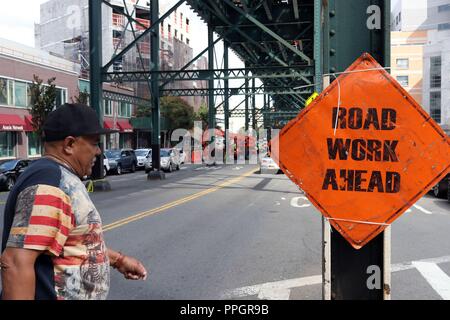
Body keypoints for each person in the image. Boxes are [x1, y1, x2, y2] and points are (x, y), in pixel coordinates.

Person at [0, 103, 147, 300]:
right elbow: (16, 263)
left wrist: (118, 260)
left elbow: (74, 242)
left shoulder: (59, 177)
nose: (98, 152)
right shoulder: (50, 183)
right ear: (69, 144)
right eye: (94, 143)